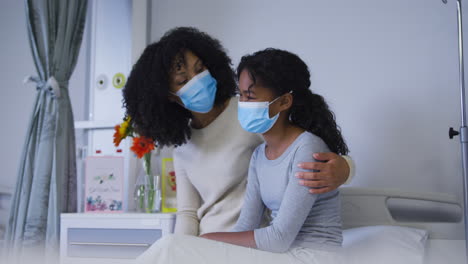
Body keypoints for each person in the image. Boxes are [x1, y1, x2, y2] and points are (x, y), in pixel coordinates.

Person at [123, 27, 354, 237]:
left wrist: (345, 169)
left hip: (254, 241)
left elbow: (309, 149)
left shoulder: (252, 113)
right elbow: (188, 213)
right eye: (183, 80)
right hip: (209, 243)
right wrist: (182, 250)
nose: (197, 81)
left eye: (200, 69)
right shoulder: (183, 145)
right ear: (169, 97)